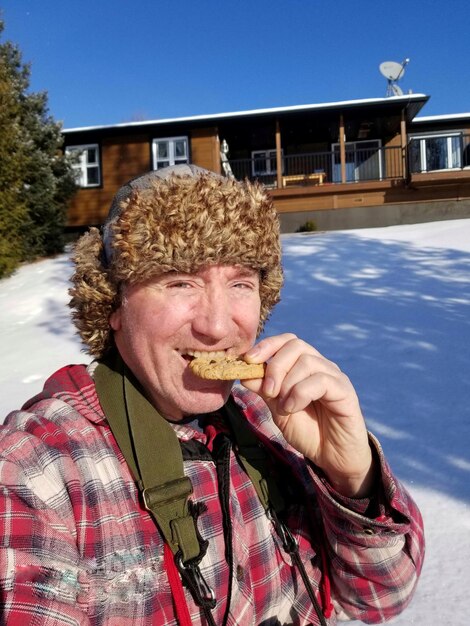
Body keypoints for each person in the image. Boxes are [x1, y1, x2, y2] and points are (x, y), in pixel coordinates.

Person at [0, 164, 424, 625]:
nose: (219, 326)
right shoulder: (39, 466)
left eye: (241, 283)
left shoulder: (274, 423)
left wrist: (351, 476)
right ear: (113, 306)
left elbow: (381, 601)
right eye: (180, 281)